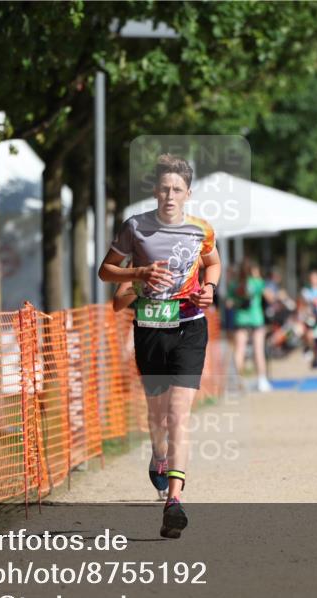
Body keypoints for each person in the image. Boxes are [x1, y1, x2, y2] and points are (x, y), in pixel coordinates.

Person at [97, 153, 220, 539]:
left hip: (190, 327)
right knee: (158, 416)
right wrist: (138, 274)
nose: (170, 195)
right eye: (164, 188)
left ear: (188, 193)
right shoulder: (135, 228)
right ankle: (159, 456)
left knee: (179, 415)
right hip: (150, 326)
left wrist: (210, 289)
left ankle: (174, 501)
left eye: (177, 189)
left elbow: (212, 263)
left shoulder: (201, 229)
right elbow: (105, 272)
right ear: (155, 191)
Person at [228, 259, 271, 392]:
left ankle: (238, 380)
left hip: (241, 320)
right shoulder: (257, 282)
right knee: (258, 350)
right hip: (256, 320)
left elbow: (229, 303)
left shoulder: (234, 285)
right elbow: (269, 297)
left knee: (239, 350)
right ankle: (262, 380)